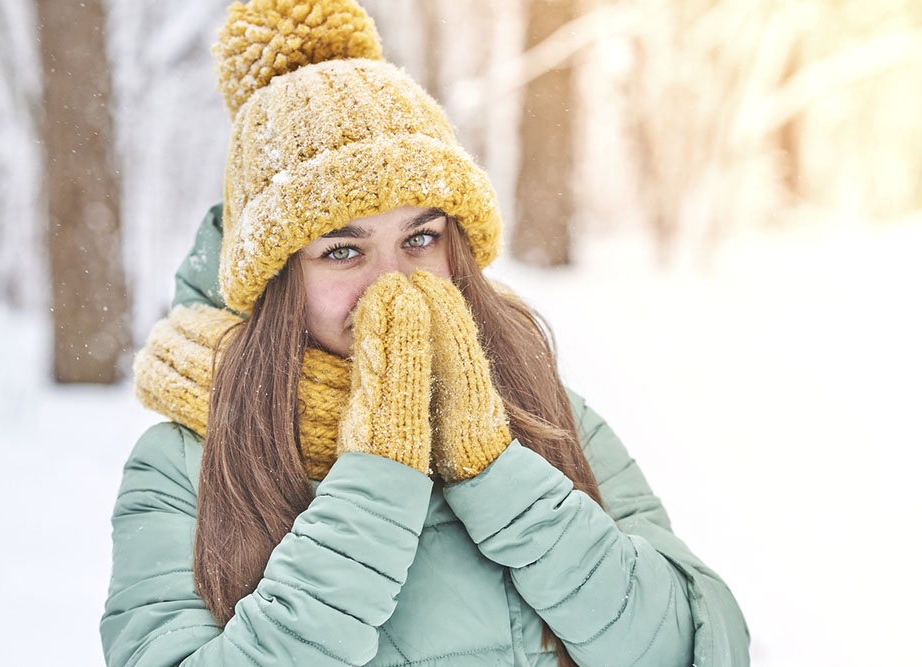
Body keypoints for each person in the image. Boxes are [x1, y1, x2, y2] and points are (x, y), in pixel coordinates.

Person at [100, 1, 749, 665]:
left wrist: (493, 468)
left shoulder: (534, 402)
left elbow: (694, 643)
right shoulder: (185, 461)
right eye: (343, 250)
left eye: (420, 237)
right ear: (277, 279)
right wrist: (379, 472)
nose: (393, 281)